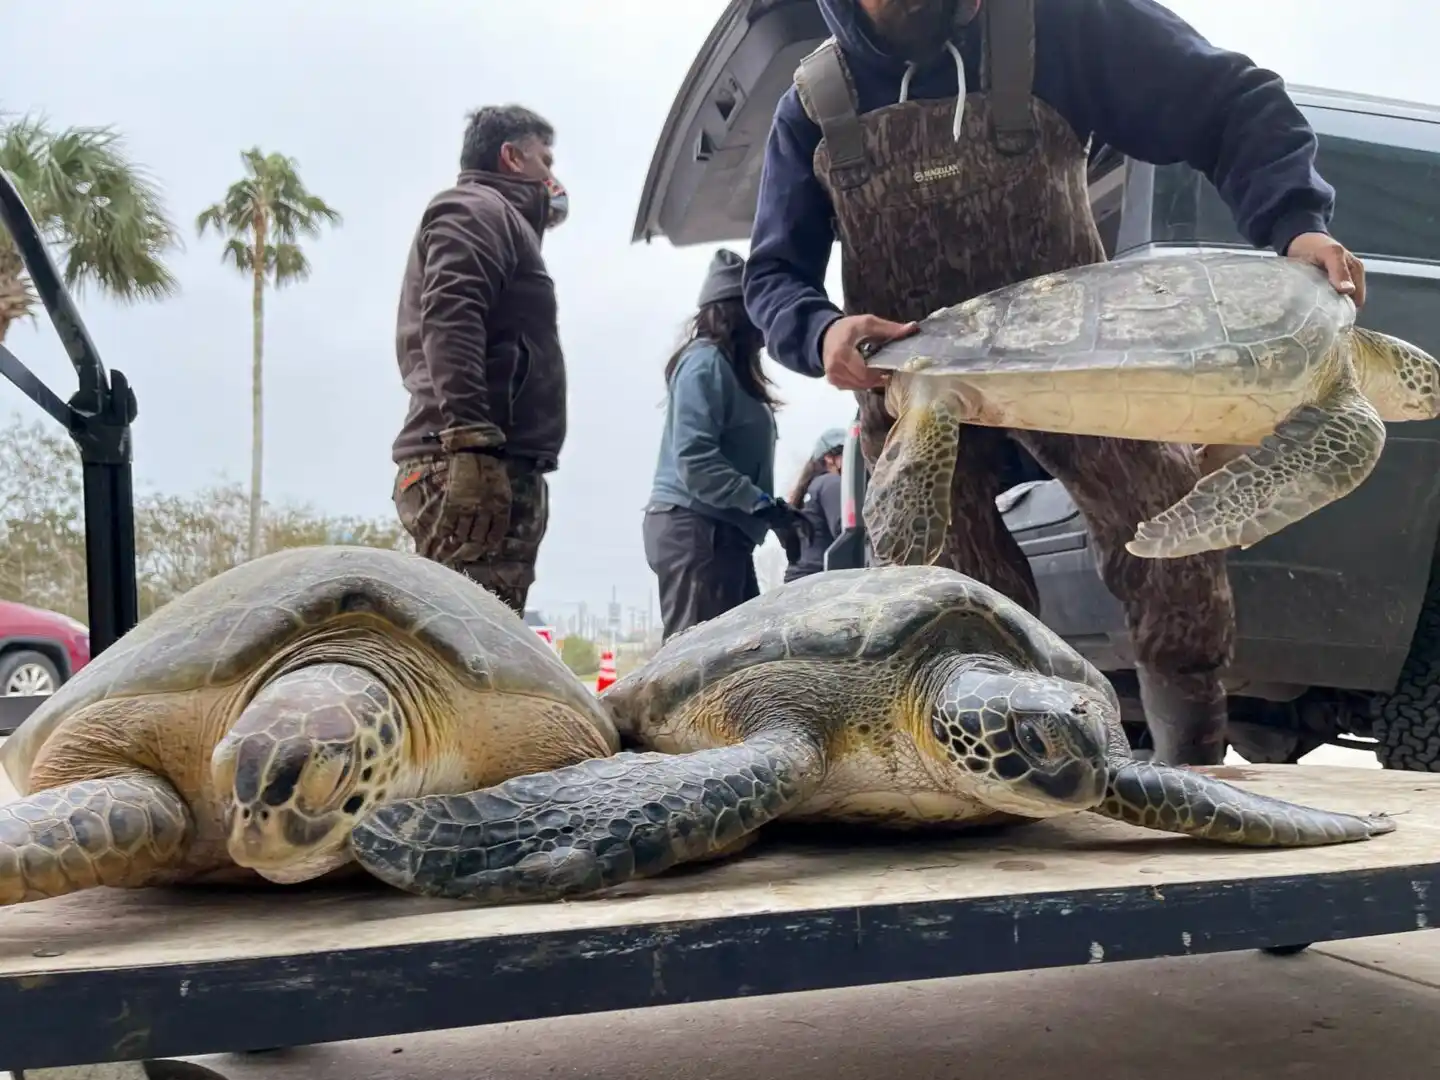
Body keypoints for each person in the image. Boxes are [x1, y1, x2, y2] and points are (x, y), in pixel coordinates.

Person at [740, 0, 1367, 767]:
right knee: (955, 601)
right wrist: (819, 330)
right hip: (923, 391)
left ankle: (1193, 767)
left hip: (1083, 363)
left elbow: (1233, 102)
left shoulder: (1058, 28)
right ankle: (1017, 781)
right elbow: (774, 275)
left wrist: (1296, 224)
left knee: (1170, 537)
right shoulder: (812, 104)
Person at [390, 104, 570, 616]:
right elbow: (450, 317)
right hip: (468, 460)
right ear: (512, 157)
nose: (552, 179)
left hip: (489, 458)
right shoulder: (474, 210)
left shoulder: (499, 221)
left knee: (481, 636)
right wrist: (470, 441)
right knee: (471, 645)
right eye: (545, 161)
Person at [644, 248, 810, 641]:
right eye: (760, 309)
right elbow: (696, 461)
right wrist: (761, 505)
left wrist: (774, 513)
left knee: (735, 658)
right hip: (697, 531)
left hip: (724, 534)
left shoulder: (730, 371)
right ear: (738, 312)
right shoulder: (705, 365)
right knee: (695, 662)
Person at [783, 427, 848, 582]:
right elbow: (843, 529)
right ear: (829, 458)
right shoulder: (830, 482)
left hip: (799, 580)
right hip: (818, 581)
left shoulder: (812, 487)